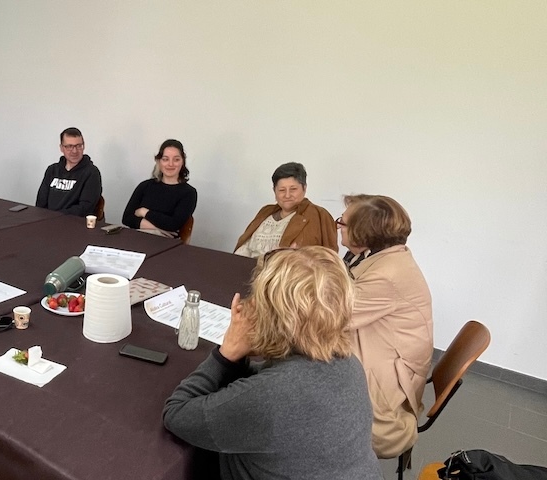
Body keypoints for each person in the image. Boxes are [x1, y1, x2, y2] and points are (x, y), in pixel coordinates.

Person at [163, 247, 381, 480]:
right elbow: (270, 384)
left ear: (271, 314)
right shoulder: (349, 364)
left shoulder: (270, 396)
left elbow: (177, 415)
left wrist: (226, 354)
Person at [339, 194, 433, 458]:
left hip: (386, 400)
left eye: (343, 223)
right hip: (387, 355)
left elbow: (332, 317)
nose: (338, 226)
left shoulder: (386, 273)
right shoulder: (380, 255)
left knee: (302, 366)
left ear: (362, 233)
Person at [234, 162, 337, 257]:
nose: (287, 195)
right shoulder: (265, 211)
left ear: (304, 188)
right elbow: (244, 247)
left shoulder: (319, 215)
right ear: (274, 191)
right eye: (282, 190)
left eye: (293, 189)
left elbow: (330, 259)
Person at [121, 139, 197, 237]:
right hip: (136, 238)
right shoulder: (145, 186)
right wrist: (157, 228)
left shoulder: (189, 193)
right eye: (165, 159)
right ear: (159, 161)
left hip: (165, 244)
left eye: (176, 159)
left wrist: (144, 212)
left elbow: (173, 224)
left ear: (183, 162)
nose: (170, 164)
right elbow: (127, 218)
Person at [35, 127, 103, 217]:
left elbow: (85, 208)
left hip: (74, 223)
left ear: (84, 146)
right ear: (62, 148)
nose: (74, 151)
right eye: (69, 146)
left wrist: (56, 216)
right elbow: (41, 202)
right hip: (48, 221)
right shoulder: (52, 170)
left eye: (78, 146)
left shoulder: (91, 173)